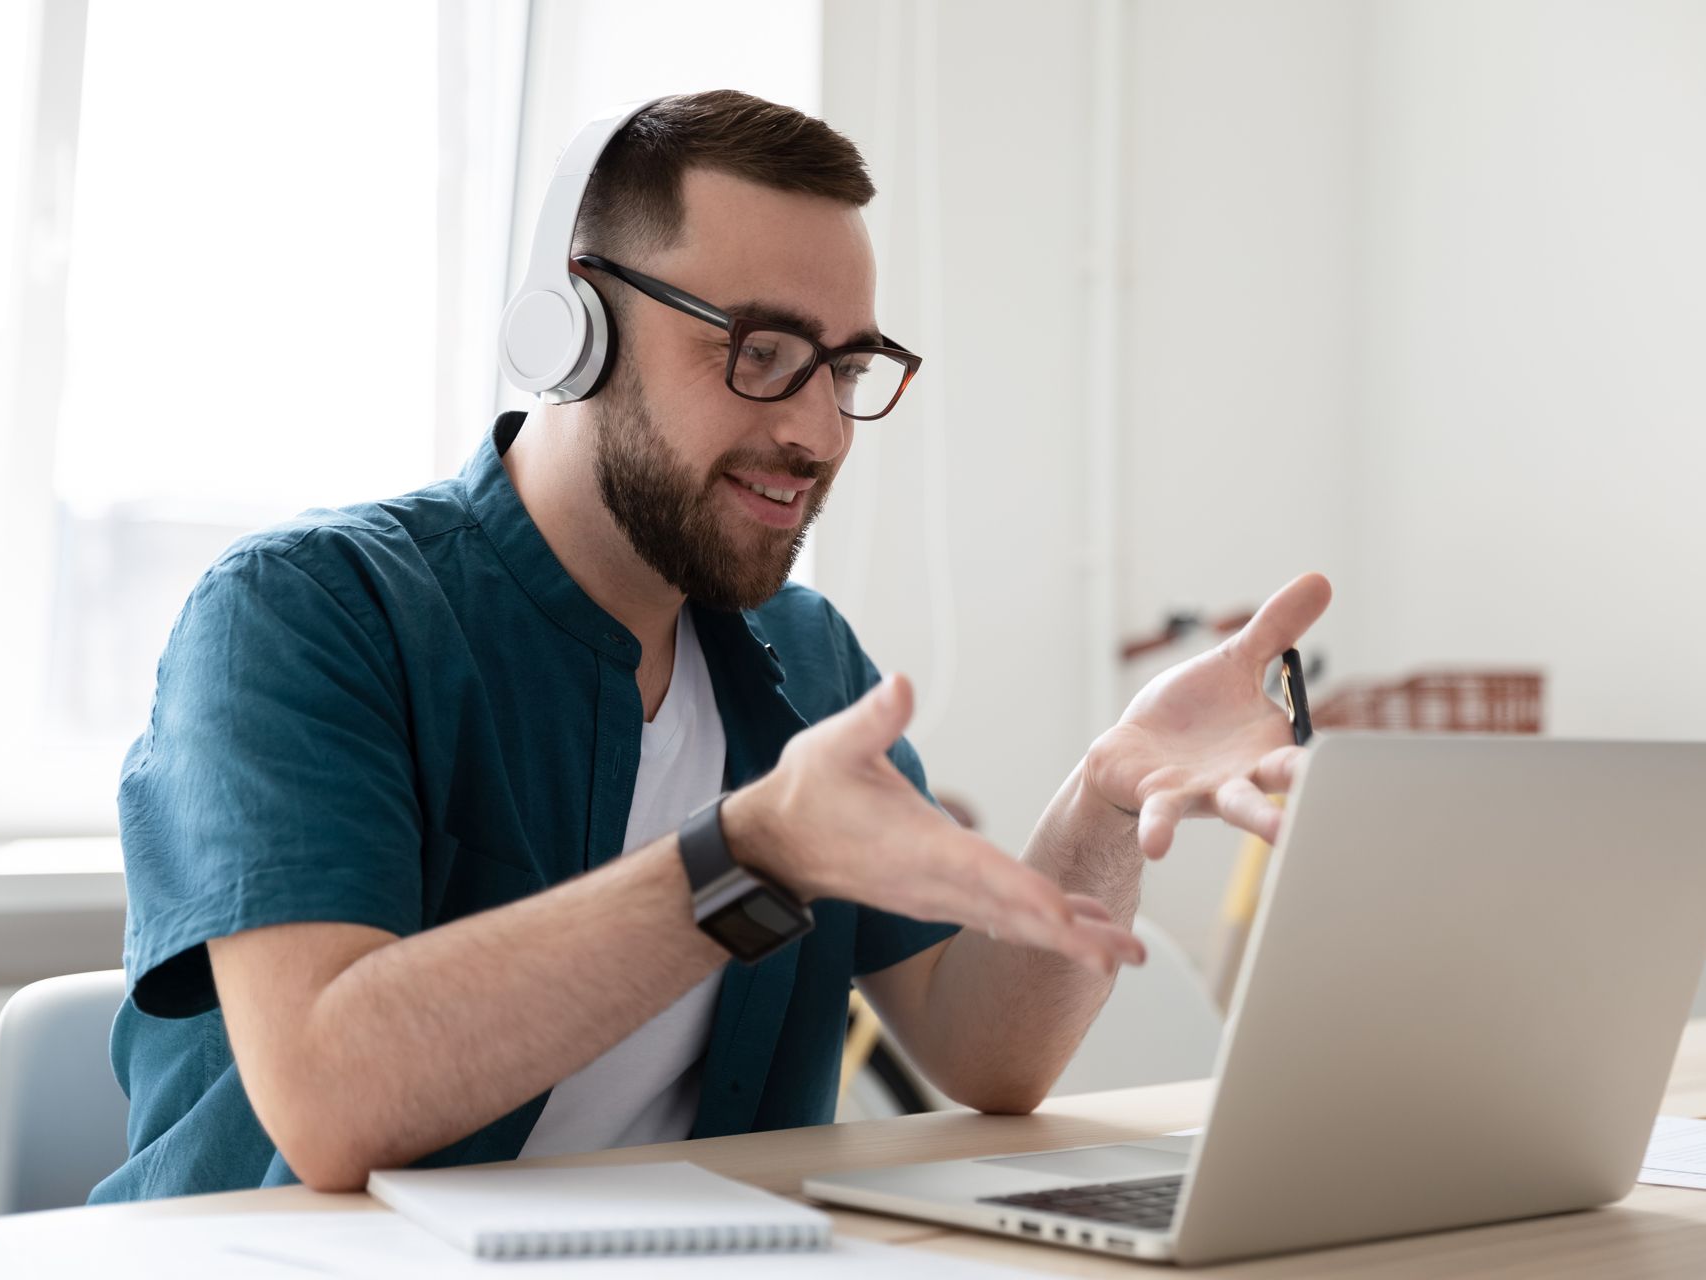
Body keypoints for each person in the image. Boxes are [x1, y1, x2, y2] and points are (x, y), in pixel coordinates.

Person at [90, 90, 1330, 1202]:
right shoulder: (306, 612)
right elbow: (330, 1101)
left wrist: (1105, 796)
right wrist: (749, 858)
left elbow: (984, 1049)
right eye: (761, 352)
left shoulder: (802, 652)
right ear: (567, 328)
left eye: (844, 366)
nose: (817, 431)